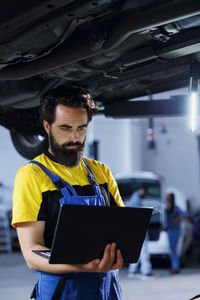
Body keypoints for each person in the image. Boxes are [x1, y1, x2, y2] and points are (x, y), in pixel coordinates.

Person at [12, 85, 125, 300]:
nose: (75, 137)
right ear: (47, 126)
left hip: (107, 289)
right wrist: (79, 265)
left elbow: (122, 232)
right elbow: (32, 254)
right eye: (65, 128)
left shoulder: (101, 172)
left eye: (81, 128)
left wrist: (120, 254)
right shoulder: (32, 175)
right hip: (62, 291)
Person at [127, 186, 153, 279]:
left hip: (135, 228)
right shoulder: (136, 199)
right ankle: (146, 272)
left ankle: (132, 271)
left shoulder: (134, 198)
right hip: (139, 228)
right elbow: (138, 215)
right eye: (146, 193)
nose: (146, 195)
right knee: (144, 249)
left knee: (137, 250)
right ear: (141, 190)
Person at [166, 192, 187, 274]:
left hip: (175, 230)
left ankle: (175, 267)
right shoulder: (167, 206)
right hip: (170, 230)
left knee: (173, 250)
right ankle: (174, 266)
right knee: (172, 250)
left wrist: (177, 219)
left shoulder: (175, 207)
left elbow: (185, 214)